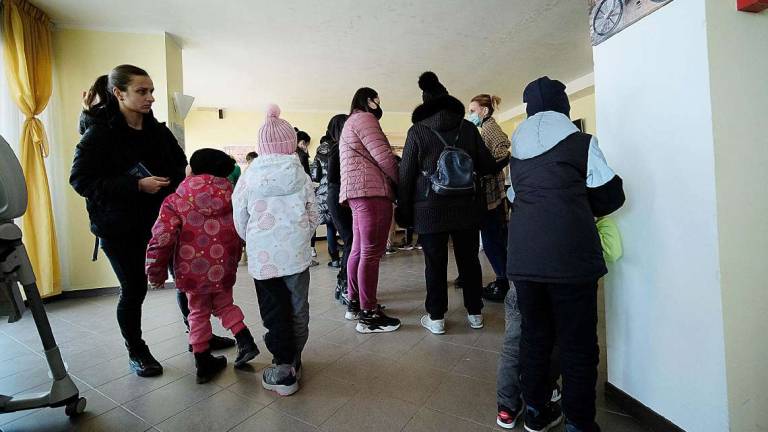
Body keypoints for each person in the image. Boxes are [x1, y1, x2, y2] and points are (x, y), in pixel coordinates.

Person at [508, 76, 624, 432]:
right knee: (577, 344)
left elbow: (515, 200)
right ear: (565, 106)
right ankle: (579, 422)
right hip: (571, 258)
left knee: (535, 337)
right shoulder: (581, 143)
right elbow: (609, 196)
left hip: (525, 259)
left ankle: (537, 413)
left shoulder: (516, 154)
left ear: (529, 110)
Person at [70, 64, 187, 377]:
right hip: (119, 227)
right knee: (134, 289)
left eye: (151, 91)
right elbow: (80, 180)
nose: (150, 97)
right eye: (141, 91)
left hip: (162, 222)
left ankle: (199, 334)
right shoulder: (98, 135)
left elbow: (179, 163)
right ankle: (137, 350)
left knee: (186, 279)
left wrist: (173, 182)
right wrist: (135, 185)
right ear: (118, 93)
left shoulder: (158, 131)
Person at [396, 72, 504, 335]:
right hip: (467, 207)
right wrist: (509, 158)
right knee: (469, 260)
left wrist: (404, 211)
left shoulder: (418, 131)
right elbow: (487, 165)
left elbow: (406, 175)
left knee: (435, 263)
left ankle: (436, 318)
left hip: (429, 209)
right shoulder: (467, 128)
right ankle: (475, 313)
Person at [145, 149, 259, 383]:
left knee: (197, 312)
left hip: (191, 269)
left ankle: (202, 359)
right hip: (224, 265)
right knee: (225, 303)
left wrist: (155, 271)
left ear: (194, 169)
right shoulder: (234, 195)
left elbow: (162, 237)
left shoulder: (176, 200)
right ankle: (245, 340)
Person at [233, 104, 318, 396]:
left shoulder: (248, 176)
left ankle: (283, 365)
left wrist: (252, 239)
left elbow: (239, 215)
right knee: (298, 307)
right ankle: (295, 356)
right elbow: (314, 213)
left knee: (273, 310)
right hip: (296, 255)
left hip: (262, 257)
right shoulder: (302, 175)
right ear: (291, 144)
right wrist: (302, 236)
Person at [339, 87, 401, 333]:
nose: (379, 103)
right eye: (377, 99)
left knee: (358, 250)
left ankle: (355, 304)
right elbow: (384, 156)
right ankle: (369, 314)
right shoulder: (365, 118)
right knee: (371, 253)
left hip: (357, 194)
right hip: (372, 192)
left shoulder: (349, 122)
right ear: (368, 101)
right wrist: (400, 182)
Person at [468, 94, 512, 303]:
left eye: (473, 111)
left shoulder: (489, 128)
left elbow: (503, 152)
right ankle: (503, 279)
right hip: (491, 191)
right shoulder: (485, 128)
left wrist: (486, 169)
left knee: (492, 238)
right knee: (494, 237)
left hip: (491, 193)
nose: (471, 115)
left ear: (484, 111)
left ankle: (503, 282)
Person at [324, 114, 352, 303]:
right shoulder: (337, 148)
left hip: (340, 196)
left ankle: (345, 284)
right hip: (339, 197)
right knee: (351, 240)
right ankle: (344, 284)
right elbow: (335, 178)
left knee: (352, 241)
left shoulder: (338, 147)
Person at [311, 135, 341, 267]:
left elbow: (315, 177)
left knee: (330, 226)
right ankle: (349, 258)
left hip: (324, 193)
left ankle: (334, 259)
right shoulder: (339, 149)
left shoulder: (318, 155)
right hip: (339, 190)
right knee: (345, 225)